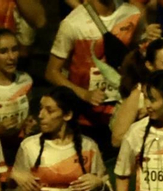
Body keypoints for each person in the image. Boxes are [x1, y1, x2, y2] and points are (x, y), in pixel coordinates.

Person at [46, 0, 141, 140]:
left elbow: (138, 55)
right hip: (85, 117)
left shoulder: (132, 14)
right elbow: (52, 72)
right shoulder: (73, 23)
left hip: (123, 111)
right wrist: (85, 94)